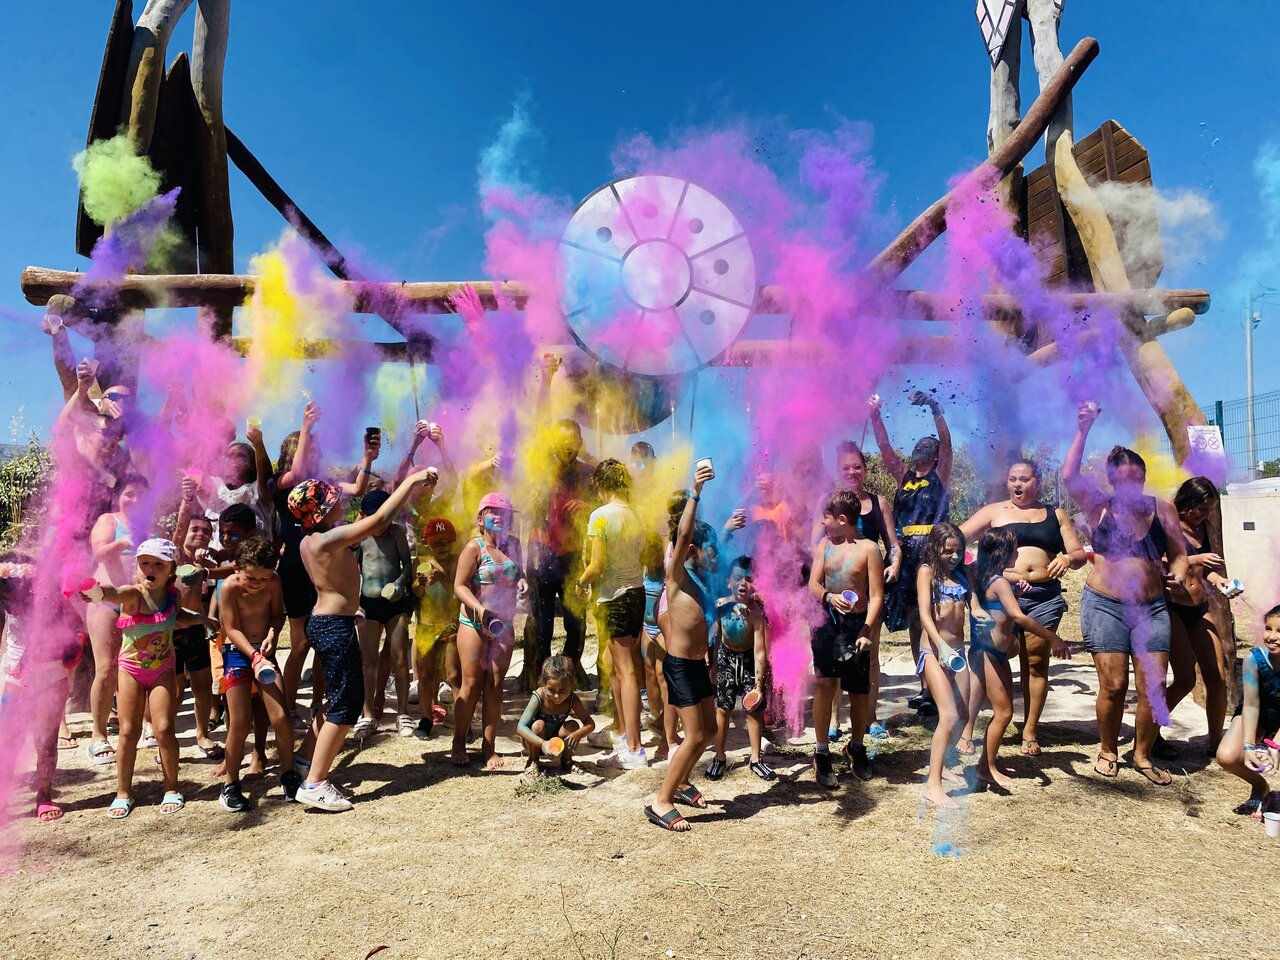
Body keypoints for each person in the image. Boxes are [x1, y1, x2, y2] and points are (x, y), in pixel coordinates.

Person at [288, 467, 438, 812]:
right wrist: (412, 481)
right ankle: (315, 783)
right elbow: (381, 519)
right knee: (347, 705)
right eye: (332, 502)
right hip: (334, 627)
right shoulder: (327, 540)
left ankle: (305, 760)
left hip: (327, 622)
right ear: (321, 512)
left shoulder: (309, 541)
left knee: (338, 700)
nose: (340, 504)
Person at [1063, 404, 1189, 786]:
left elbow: (1179, 554)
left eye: (1137, 479)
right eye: (1123, 481)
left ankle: (1143, 754)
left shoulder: (1163, 509)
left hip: (1151, 608)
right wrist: (1083, 429)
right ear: (1112, 480)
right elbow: (1069, 477)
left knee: (1155, 686)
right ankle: (1108, 750)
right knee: (1114, 685)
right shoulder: (1099, 506)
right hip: (1106, 606)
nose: (1131, 487)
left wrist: (1179, 575)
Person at [960, 458, 1086, 754]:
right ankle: (967, 728)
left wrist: (1068, 558)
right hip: (999, 596)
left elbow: (1079, 554)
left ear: (1037, 482)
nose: (1017, 484)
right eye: (1013, 479)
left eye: (1024, 479)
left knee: (1036, 662)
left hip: (1043, 597)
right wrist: (975, 568)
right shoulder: (994, 511)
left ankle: (1029, 731)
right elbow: (955, 539)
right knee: (985, 659)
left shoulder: (1056, 514)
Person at [273, 403, 380, 730]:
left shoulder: (322, 487)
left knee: (322, 646)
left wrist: (367, 459)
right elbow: (296, 474)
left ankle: (321, 705)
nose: (314, 455)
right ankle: (288, 709)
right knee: (300, 643)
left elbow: (357, 489)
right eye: (308, 449)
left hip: (320, 572)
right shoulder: (284, 485)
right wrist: (306, 427)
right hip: (295, 570)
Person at [86, 539, 203, 819]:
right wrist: (94, 592)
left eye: (158, 564)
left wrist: (203, 619)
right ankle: (123, 792)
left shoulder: (173, 596)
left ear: (171, 570)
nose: (150, 569)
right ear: (137, 567)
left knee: (164, 728)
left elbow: (176, 616)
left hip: (163, 668)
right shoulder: (132, 594)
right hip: (131, 671)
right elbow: (112, 592)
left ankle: (172, 787)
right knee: (128, 731)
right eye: (145, 563)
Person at [967, 529, 1071, 790]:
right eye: (1014, 550)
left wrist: (1018, 595)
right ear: (1003, 554)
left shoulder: (989, 577)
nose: (1017, 554)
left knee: (1002, 711)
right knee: (1004, 713)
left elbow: (1001, 609)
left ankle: (987, 762)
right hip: (989, 654)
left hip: (995, 653)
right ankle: (986, 768)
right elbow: (1019, 617)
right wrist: (1053, 638)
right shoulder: (999, 582)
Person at [869, 391, 952, 715]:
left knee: (935, 618)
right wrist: (875, 416)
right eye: (919, 443)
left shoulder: (939, 475)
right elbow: (885, 448)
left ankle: (940, 687)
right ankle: (925, 688)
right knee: (916, 622)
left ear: (935, 455)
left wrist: (935, 407)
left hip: (931, 552)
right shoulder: (904, 476)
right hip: (906, 555)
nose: (922, 446)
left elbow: (947, 442)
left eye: (929, 445)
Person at [645, 462, 717, 832]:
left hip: (697, 666)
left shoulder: (701, 580)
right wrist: (695, 492)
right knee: (695, 736)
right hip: (680, 667)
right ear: (690, 550)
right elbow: (684, 530)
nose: (714, 555)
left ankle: (684, 782)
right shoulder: (677, 575)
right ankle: (662, 800)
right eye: (709, 550)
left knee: (710, 730)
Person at [821, 440, 901, 741]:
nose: (852, 472)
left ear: (865, 469)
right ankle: (834, 719)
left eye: (857, 466)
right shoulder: (829, 503)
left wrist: (895, 564)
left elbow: (893, 544)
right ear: (837, 470)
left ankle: (870, 716)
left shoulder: (879, 502)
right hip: (835, 597)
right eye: (846, 467)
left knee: (869, 655)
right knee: (835, 659)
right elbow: (818, 544)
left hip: (870, 594)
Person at [0, 560, 86, 823]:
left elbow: (77, 627)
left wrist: (71, 652)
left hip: (51, 675)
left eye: (15, 592)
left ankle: (44, 796)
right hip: (14, 677)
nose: (10, 600)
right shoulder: (3, 598)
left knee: (46, 741)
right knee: (8, 739)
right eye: (5, 593)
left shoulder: (53, 599)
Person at [808, 490, 884, 787]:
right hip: (826, 622)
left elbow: (876, 595)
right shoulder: (825, 545)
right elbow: (813, 585)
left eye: (826, 517)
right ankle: (821, 751)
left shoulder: (869, 549)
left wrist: (866, 630)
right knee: (825, 684)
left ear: (842, 519)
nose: (822, 522)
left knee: (858, 691)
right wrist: (829, 597)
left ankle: (856, 747)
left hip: (856, 626)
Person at [217, 537, 296, 811]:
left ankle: (288, 774)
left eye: (264, 578)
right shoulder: (229, 587)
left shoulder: (273, 582)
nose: (258, 584)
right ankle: (230, 784)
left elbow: (277, 615)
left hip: (263, 652)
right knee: (239, 723)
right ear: (237, 568)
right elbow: (230, 628)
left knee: (281, 716)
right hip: (238, 654)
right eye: (251, 578)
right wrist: (253, 656)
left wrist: (272, 634)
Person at [577, 458, 647, 769]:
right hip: (635, 593)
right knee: (612, 664)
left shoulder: (600, 516)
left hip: (615, 598)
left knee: (626, 670)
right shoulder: (637, 514)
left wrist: (580, 582)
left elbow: (597, 565)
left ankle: (635, 748)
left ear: (602, 486)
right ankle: (621, 732)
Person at [452, 492, 526, 770]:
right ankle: (459, 742)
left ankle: (489, 747)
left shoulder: (514, 545)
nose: (499, 517)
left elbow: (519, 574)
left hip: (503, 624)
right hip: (474, 623)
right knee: (471, 684)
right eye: (493, 512)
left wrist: (523, 582)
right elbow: (459, 586)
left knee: (495, 685)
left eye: (504, 513)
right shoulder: (474, 547)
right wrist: (479, 609)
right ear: (481, 518)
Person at [84, 474, 149, 765]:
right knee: (106, 669)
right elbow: (98, 552)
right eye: (129, 493)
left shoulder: (149, 525)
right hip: (105, 602)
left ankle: (138, 726)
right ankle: (98, 735)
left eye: (141, 495)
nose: (135, 500)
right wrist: (123, 541)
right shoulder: (108, 520)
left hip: (135, 605)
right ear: (118, 496)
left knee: (138, 667)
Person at [1162, 477, 1230, 756]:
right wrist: (1194, 559)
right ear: (1187, 502)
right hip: (1172, 607)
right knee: (1185, 679)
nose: (1204, 514)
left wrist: (1219, 581)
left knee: (1218, 677)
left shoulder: (1203, 528)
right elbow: (1157, 561)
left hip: (1199, 609)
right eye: (1201, 508)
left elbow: (1204, 571)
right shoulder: (1168, 523)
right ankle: (1150, 733)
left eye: (1209, 509)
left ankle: (1216, 742)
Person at [527, 419, 593, 685]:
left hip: (573, 554)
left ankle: (569, 671)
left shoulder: (588, 473)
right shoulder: (538, 469)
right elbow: (521, 507)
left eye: (573, 441)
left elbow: (604, 505)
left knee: (576, 621)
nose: (568, 446)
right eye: (562, 441)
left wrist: (586, 506)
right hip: (541, 552)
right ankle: (540, 678)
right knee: (541, 624)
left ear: (580, 442)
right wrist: (533, 497)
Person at [916, 523, 974, 809]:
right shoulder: (927, 572)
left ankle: (943, 765)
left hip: (958, 652)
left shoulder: (962, 574)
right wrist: (940, 645)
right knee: (948, 715)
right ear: (934, 548)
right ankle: (932, 785)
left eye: (958, 551)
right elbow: (925, 615)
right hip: (934, 651)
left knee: (963, 712)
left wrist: (984, 614)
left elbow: (976, 605)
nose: (953, 556)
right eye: (948, 551)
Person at [354, 489, 414, 739]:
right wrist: (354, 602)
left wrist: (400, 583)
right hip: (368, 604)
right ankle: (368, 714)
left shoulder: (397, 533)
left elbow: (407, 564)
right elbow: (352, 567)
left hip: (395, 604)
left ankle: (403, 713)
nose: (380, 527)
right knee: (368, 662)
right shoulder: (359, 536)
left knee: (400, 659)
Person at [707, 556, 773, 782]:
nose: (743, 583)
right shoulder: (721, 606)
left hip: (748, 661)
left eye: (749, 579)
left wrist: (758, 685)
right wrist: (712, 662)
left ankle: (756, 759)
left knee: (753, 710)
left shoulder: (756, 614)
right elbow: (714, 636)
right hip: (726, 658)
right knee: (723, 709)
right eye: (737, 578)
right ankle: (719, 757)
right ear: (728, 582)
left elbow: (759, 651)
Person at [1213, 605, 1280, 817]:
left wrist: (1276, 745)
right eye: (1268, 628)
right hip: (1259, 716)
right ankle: (1260, 786)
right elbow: (1251, 705)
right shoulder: (1254, 659)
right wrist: (1249, 746)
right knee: (1227, 756)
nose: (1272, 637)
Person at [169, 508, 222, 760]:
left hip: (195, 632)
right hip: (171, 633)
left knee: (202, 686)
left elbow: (225, 571)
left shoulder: (205, 564)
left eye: (206, 531)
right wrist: (186, 501)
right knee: (175, 691)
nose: (200, 534)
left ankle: (202, 735)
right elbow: (178, 531)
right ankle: (166, 737)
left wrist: (207, 564)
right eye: (195, 529)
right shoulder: (173, 558)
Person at [411, 517, 462, 740]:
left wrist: (443, 579)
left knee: (455, 675)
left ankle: (462, 720)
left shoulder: (458, 561)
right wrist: (420, 584)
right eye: (437, 543)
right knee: (425, 675)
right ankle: (426, 718)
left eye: (447, 542)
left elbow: (460, 592)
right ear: (428, 543)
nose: (443, 547)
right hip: (426, 626)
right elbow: (415, 593)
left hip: (451, 625)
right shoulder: (421, 562)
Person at [516, 655, 595, 774]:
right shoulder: (539, 696)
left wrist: (578, 734)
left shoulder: (572, 699)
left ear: (571, 686)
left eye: (563, 690)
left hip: (557, 742)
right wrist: (542, 743)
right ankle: (533, 761)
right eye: (551, 690)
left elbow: (590, 724)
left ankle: (567, 761)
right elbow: (521, 727)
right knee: (538, 725)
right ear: (543, 685)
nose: (557, 696)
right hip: (535, 741)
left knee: (572, 726)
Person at [640, 534, 672, 760]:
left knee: (662, 675)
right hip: (646, 628)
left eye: (655, 557)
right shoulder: (642, 573)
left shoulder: (666, 574)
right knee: (649, 672)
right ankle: (655, 714)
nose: (652, 561)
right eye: (648, 557)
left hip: (661, 629)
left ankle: (666, 720)